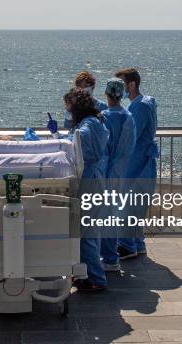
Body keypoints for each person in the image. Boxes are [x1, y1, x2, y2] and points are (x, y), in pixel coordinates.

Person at [62, 87, 110, 292]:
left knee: (87, 233)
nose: (67, 111)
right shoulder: (95, 121)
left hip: (89, 182)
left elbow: (80, 145)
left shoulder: (86, 126)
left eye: (68, 107)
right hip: (95, 179)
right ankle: (84, 274)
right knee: (88, 232)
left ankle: (96, 279)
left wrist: (67, 140)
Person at [115, 68, 158, 259]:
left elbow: (131, 137)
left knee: (127, 207)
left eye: (121, 84)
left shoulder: (137, 107)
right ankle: (138, 243)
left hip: (137, 164)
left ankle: (126, 246)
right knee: (135, 206)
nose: (119, 90)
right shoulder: (146, 103)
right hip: (144, 163)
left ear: (131, 84)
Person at [99, 78, 136, 271]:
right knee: (113, 214)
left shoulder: (104, 116)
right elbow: (130, 147)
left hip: (105, 172)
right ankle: (111, 255)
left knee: (103, 216)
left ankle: (109, 258)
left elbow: (100, 146)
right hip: (121, 171)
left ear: (106, 94)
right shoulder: (128, 117)